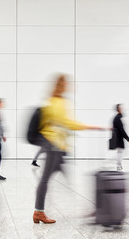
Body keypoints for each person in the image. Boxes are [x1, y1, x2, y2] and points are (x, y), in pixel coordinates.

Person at [33, 75, 104, 224]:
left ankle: (40, 211)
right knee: (48, 180)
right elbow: (66, 123)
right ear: (61, 85)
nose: (69, 85)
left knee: (56, 179)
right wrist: (90, 127)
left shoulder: (52, 101)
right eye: (66, 83)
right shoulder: (58, 102)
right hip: (54, 147)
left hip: (57, 147)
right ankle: (39, 212)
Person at [112, 104, 129, 171]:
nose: (123, 109)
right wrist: (128, 139)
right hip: (119, 138)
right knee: (120, 152)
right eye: (121, 108)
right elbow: (122, 130)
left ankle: (118, 165)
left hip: (117, 138)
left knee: (120, 152)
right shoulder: (118, 118)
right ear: (119, 109)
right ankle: (118, 165)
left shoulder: (117, 118)